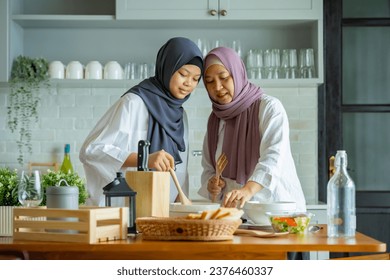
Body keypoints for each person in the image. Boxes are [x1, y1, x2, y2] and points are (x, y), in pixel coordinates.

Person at [80, 37, 203, 206]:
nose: (189, 83)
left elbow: (179, 170)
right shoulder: (133, 102)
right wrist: (144, 159)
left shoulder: (181, 116)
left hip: (162, 211)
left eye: (196, 78)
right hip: (124, 211)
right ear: (167, 67)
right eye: (183, 74)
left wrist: (179, 204)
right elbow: (92, 151)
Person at [198, 46, 306, 212]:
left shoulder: (269, 107)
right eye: (210, 81)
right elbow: (209, 168)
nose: (217, 87)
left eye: (224, 77)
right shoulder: (215, 120)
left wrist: (247, 190)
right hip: (237, 217)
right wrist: (212, 184)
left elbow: (273, 157)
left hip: (276, 212)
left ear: (237, 74)